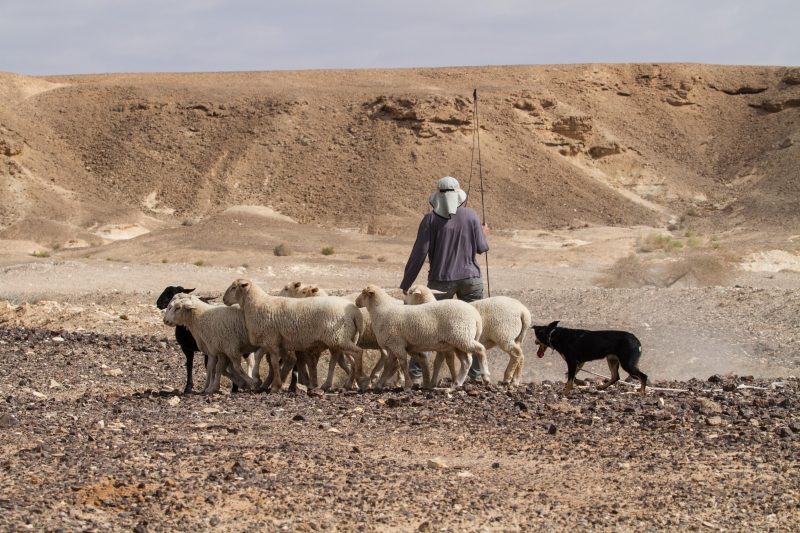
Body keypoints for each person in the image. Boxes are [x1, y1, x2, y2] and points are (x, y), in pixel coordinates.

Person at [400, 176, 490, 383]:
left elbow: (419, 254)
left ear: (437, 196)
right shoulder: (471, 215)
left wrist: (407, 283)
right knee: (475, 328)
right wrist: (484, 233)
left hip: (440, 282)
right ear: (458, 195)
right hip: (471, 278)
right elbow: (482, 248)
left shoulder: (430, 219)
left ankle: (415, 376)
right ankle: (476, 375)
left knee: (428, 329)